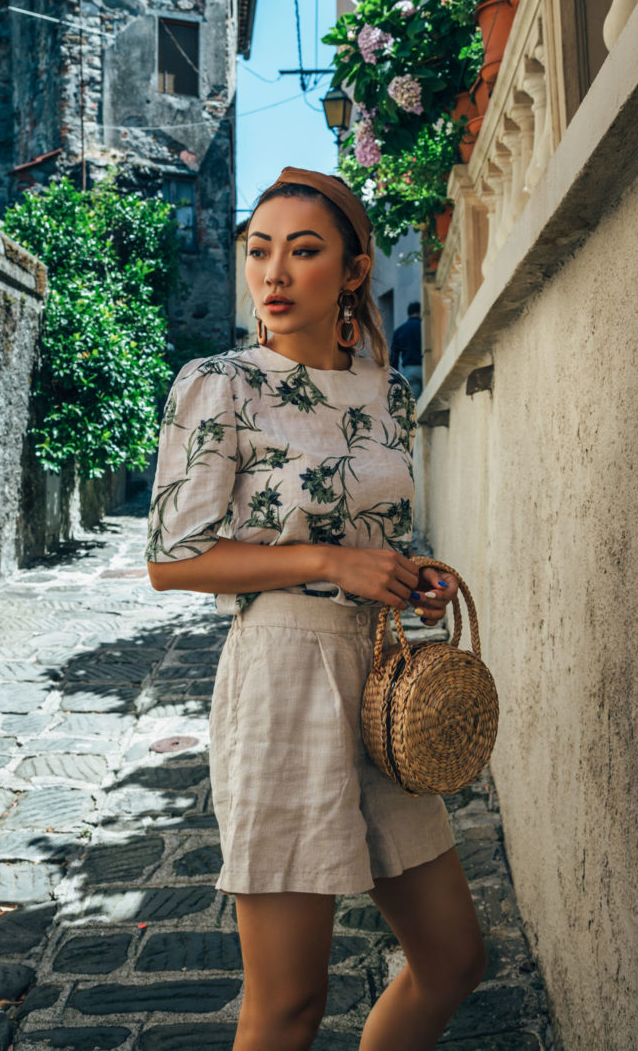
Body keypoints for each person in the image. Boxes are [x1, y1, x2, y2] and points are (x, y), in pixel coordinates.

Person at [146, 166, 487, 1051]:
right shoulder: (220, 385)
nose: (275, 274)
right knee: (288, 1006)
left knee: (453, 960)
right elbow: (172, 561)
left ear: (353, 271)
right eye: (259, 251)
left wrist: (405, 575)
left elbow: (372, 531)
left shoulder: (387, 394)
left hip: (379, 682)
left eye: (304, 251)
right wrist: (330, 559)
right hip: (283, 679)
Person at [390, 301, 424, 400]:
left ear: (409, 313)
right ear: (420, 312)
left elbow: (394, 358)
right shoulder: (425, 327)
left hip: (410, 370)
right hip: (426, 367)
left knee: (413, 406)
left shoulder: (400, 331)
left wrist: (395, 377)